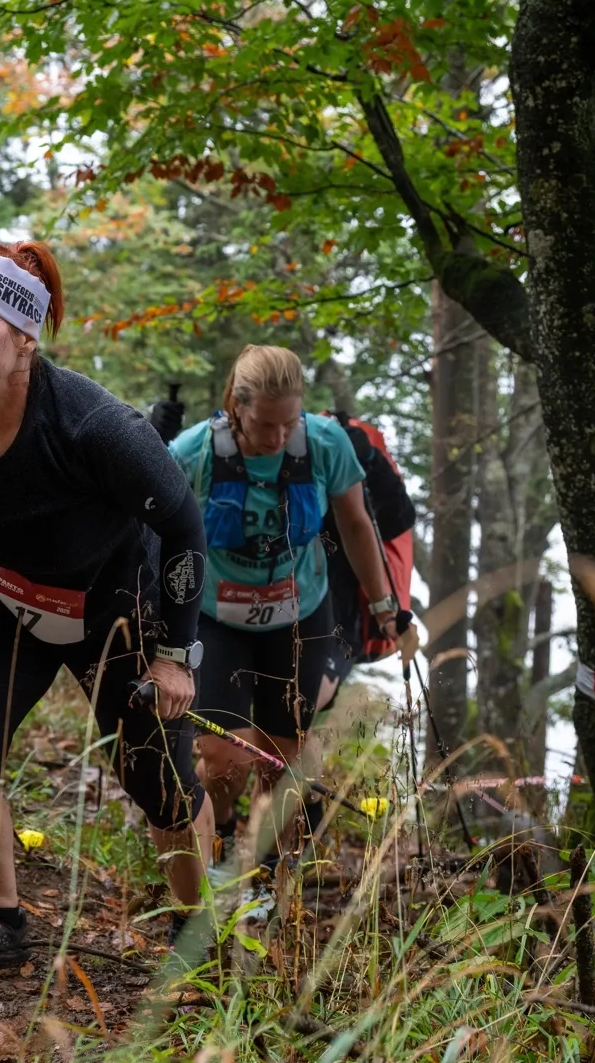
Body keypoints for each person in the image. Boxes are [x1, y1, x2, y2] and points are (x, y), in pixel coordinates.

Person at [0, 240, 216, 975]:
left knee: (158, 777)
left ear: (23, 339)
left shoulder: (94, 426)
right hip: (8, 594)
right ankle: (1, 925)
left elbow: (183, 527)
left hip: (117, 603)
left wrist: (173, 655)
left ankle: (202, 932)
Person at [161, 346, 400, 880]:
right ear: (236, 405)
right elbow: (162, 537)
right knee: (225, 761)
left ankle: (269, 875)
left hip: (298, 621)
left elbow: (359, 526)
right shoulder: (195, 452)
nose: (276, 437)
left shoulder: (324, 443)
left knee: (281, 761)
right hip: (216, 619)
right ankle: (219, 844)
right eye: (265, 424)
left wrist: (385, 608)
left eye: (288, 423)